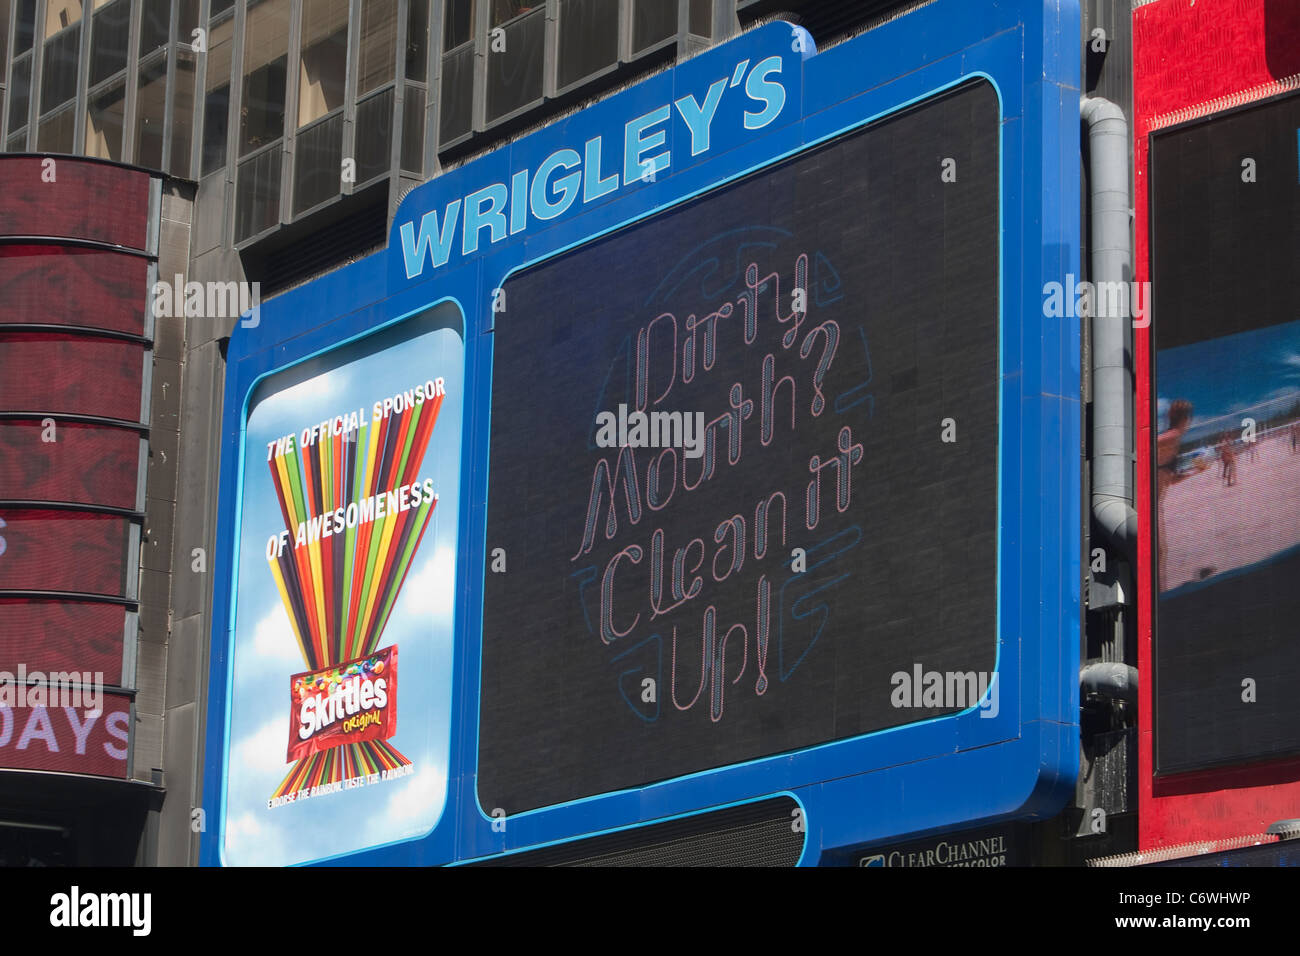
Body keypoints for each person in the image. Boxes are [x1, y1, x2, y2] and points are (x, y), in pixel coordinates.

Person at [1157, 400, 1193, 591]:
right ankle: (1160, 594)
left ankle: (1161, 592)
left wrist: (1193, 472)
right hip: (1151, 505)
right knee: (1159, 553)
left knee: (1160, 552)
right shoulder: (1173, 436)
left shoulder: (1173, 439)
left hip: (1156, 504)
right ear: (1186, 419)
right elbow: (1144, 448)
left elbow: (1170, 479)